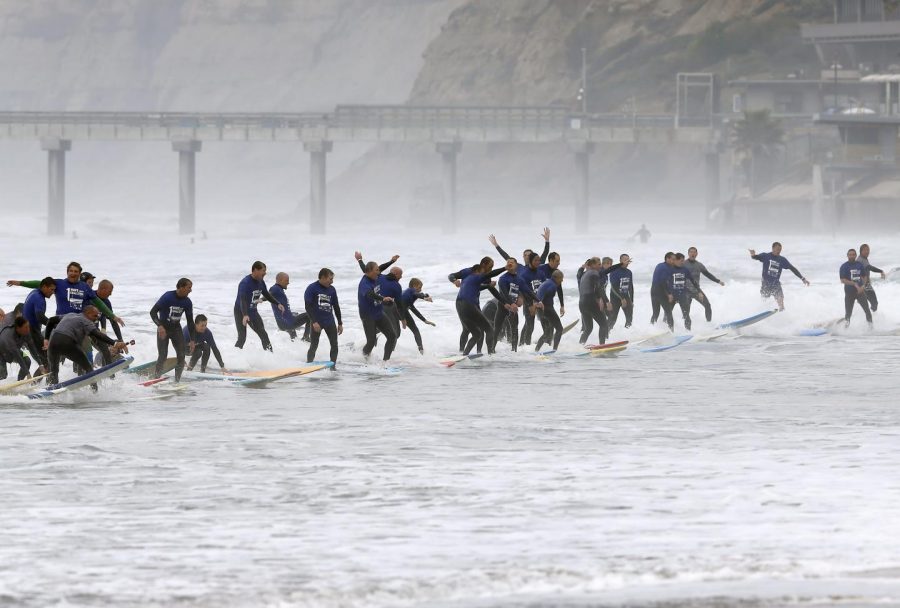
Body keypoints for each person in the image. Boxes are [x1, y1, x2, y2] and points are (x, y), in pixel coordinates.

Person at [7, 261, 123, 325]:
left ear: (79, 274)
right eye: (71, 271)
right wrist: (20, 283)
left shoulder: (84, 287)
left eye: (76, 271)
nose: (73, 273)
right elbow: (40, 283)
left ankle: (87, 369)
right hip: (61, 322)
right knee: (59, 349)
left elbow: (98, 303)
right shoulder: (59, 284)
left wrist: (112, 316)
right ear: (67, 272)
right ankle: (54, 367)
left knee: (86, 349)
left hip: (79, 323)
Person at [46, 307, 128, 386]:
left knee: (53, 371)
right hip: (67, 341)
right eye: (95, 316)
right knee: (89, 368)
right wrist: (115, 343)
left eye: (98, 316)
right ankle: (95, 392)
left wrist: (46, 339)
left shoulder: (69, 315)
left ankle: (51, 393)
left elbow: (50, 320)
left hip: (53, 342)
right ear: (88, 313)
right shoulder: (86, 321)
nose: (96, 319)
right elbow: (98, 335)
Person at [456, 257, 511, 356]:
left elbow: (481, 287)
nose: (484, 274)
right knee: (489, 329)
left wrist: (489, 286)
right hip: (469, 305)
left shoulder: (467, 279)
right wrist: (505, 268)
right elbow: (491, 274)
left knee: (476, 333)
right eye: (489, 267)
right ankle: (490, 355)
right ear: (480, 268)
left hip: (460, 306)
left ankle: (464, 355)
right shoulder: (477, 276)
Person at [150, 278, 196, 382]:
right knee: (162, 356)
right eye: (189, 288)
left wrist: (193, 340)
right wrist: (160, 326)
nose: (190, 290)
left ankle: (177, 381)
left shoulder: (187, 302)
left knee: (181, 356)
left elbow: (190, 322)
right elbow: (152, 312)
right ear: (181, 287)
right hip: (163, 329)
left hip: (176, 330)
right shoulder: (167, 297)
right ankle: (155, 379)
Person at [234, 261, 283, 352]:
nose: (265, 273)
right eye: (263, 270)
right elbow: (242, 299)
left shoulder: (261, 282)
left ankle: (271, 358)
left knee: (263, 335)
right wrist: (245, 315)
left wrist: (278, 303)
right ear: (255, 270)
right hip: (241, 312)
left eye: (265, 271)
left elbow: (267, 295)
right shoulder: (245, 283)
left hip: (253, 312)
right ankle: (233, 358)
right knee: (242, 338)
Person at [491, 258, 537, 352]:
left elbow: (528, 291)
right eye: (508, 262)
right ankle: (491, 350)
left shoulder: (519, 279)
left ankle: (514, 351)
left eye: (511, 262)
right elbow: (503, 293)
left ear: (516, 265)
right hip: (503, 306)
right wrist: (511, 303)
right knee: (497, 329)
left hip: (513, 308)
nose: (509, 264)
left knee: (514, 329)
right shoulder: (503, 278)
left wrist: (538, 300)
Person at [749, 242, 810, 311]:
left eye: (780, 250)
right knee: (764, 302)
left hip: (776, 284)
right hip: (765, 283)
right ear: (773, 248)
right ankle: (761, 314)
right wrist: (753, 254)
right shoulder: (765, 256)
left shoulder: (782, 260)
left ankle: (782, 312)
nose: (779, 251)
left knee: (781, 302)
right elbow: (756, 257)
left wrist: (803, 278)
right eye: (777, 249)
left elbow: (792, 268)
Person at [358, 261, 398, 361]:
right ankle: (364, 360)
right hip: (368, 316)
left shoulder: (374, 276)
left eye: (378, 270)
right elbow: (369, 294)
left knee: (392, 336)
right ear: (369, 271)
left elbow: (381, 268)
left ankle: (385, 362)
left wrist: (392, 261)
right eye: (376, 270)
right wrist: (383, 298)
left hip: (378, 313)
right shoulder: (364, 283)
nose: (378, 272)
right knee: (371, 342)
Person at [578, 258, 621, 345]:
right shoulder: (594, 273)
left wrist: (582, 268)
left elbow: (608, 270)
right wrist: (607, 301)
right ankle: (602, 346)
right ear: (592, 265)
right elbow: (599, 288)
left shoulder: (584, 274)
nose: (600, 266)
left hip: (582, 303)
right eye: (598, 264)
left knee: (588, 329)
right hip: (590, 302)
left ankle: (580, 346)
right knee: (604, 324)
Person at [304, 268, 343, 364]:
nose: (332, 281)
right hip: (317, 321)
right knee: (314, 345)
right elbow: (307, 306)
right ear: (323, 277)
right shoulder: (312, 288)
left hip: (329, 321)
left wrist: (340, 323)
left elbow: (336, 306)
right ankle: (308, 365)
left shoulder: (332, 289)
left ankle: (333, 366)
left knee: (334, 345)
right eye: (330, 279)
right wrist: (314, 322)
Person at [22, 277, 56, 370]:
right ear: (44, 287)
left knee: (44, 361)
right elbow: (40, 317)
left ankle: (36, 383)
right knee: (48, 359)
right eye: (51, 289)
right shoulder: (39, 298)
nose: (53, 292)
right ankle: (50, 383)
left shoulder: (34, 292)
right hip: (31, 332)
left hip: (27, 331)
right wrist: (54, 326)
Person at [684, 247, 725, 323]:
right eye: (691, 252)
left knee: (707, 305)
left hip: (697, 291)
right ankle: (687, 330)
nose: (692, 254)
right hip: (686, 291)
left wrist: (718, 281)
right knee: (686, 312)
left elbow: (708, 274)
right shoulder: (683, 264)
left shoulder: (699, 265)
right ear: (688, 253)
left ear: (696, 254)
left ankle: (709, 325)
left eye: (694, 252)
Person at [90, 279, 125, 366]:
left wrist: (121, 340)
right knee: (84, 351)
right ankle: (80, 375)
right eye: (110, 291)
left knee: (106, 349)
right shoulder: (90, 297)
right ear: (103, 289)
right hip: (84, 329)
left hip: (95, 331)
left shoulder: (107, 302)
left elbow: (113, 322)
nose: (110, 294)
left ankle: (107, 374)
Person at [269, 272, 310, 341]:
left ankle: (294, 343)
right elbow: (268, 295)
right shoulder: (275, 289)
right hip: (287, 323)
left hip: (283, 323)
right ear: (280, 280)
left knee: (294, 314)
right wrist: (261, 299)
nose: (288, 283)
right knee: (310, 315)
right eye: (287, 280)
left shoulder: (279, 290)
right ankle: (306, 337)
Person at [0, 316, 42, 382]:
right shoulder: (9, 336)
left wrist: (40, 364)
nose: (28, 329)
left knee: (27, 361)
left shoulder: (26, 332)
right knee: (3, 375)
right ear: (18, 328)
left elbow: (32, 348)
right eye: (26, 327)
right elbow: (18, 357)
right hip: (1, 353)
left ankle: (19, 381)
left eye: (28, 326)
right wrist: (28, 374)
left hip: (14, 350)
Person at [401, 278, 435, 355]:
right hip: (395, 311)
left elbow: (412, 308)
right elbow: (417, 294)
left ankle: (421, 352)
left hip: (402, 311)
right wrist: (424, 297)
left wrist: (424, 320)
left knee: (415, 330)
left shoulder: (409, 294)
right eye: (419, 287)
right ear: (413, 286)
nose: (420, 289)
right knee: (395, 333)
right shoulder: (410, 290)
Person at [839, 249, 873, 327]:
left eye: (853, 254)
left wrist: (863, 286)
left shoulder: (859, 265)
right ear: (847, 255)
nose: (851, 256)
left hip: (860, 292)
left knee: (867, 310)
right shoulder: (844, 266)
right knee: (848, 313)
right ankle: (845, 330)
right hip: (849, 293)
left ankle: (871, 329)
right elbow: (842, 280)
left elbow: (864, 276)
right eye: (850, 254)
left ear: (855, 255)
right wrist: (854, 284)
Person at [534, 270, 565, 351]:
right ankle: (554, 350)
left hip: (540, 309)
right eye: (561, 279)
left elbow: (539, 293)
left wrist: (538, 303)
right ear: (556, 278)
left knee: (547, 332)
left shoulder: (547, 283)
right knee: (559, 329)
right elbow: (542, 294)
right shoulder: (552, 285)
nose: (562, 280)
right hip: (547, 309)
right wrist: (540, 301)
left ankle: (536, 350)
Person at [670, 253, 700, 331]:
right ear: (675, 260)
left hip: (682, 295)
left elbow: (693, 281)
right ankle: (667, 331)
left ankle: (688, 332)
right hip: (672, 296)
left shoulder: (685, 270)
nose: (683, 262)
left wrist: (699, 291)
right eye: (681, 261)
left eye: (683, 261)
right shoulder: (669, 269)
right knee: (667, 315)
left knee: (686, 315)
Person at [650, 252, 676, 330]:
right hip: (660, 291)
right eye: (673, 259)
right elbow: (663, 281)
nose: (674, 261)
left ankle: (650, 329)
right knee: (669, 313)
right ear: (667, 259)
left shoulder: (660, 265)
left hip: (653, 290)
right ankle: (672, 332)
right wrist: (669, 294)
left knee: (655, 313)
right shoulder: (665, 268)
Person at [608, 254, 634, 330]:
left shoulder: (629, 272)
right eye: (625, 259)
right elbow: (614, 287)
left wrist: (631, 300)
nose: (627, 261)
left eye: (628, 259)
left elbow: (631, 287)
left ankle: (627, 334)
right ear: (620, 261)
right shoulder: (614, 271)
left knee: (629, 318)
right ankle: (606, 335)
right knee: (612, 319)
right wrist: (621, 298)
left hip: (626, 297)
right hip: (615, 298)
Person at [858, 244, 885, 312]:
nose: (867, 251)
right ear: (861, 251)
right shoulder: (861, 259)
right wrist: (881, 271)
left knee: (867, 302)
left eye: (868, 250)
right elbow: (869, 267)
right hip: (865, 285)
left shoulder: (863, 259)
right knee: (874, 303)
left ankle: (864, 317)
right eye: (865, 250)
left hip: (862, 285)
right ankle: (872, 319)